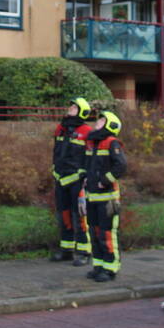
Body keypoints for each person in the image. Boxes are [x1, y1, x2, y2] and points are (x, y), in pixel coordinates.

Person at [50, 97, 93, 265]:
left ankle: (84, 252)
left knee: (80, 216)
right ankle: (66, 250)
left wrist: (85, 177)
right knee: (64, 215)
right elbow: (56, 151)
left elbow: (89, 157)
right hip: (61, 178)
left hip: (78, 180)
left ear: (82, 112)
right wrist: (54, 169)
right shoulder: (61, 128)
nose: (70, 109)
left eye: (74, 107)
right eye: (71, 106)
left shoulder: (87, 132)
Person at [84, 111, 126, 282]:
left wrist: (104, 181)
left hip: (108, 199)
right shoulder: (94, 143)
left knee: (107, 234)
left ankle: (110, 269)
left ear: (111, 125)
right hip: (92, 197)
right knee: (94, 233)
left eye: (102, 120)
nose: (97, 122)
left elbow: (121, 165)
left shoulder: (112, 142)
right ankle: (99, 266)